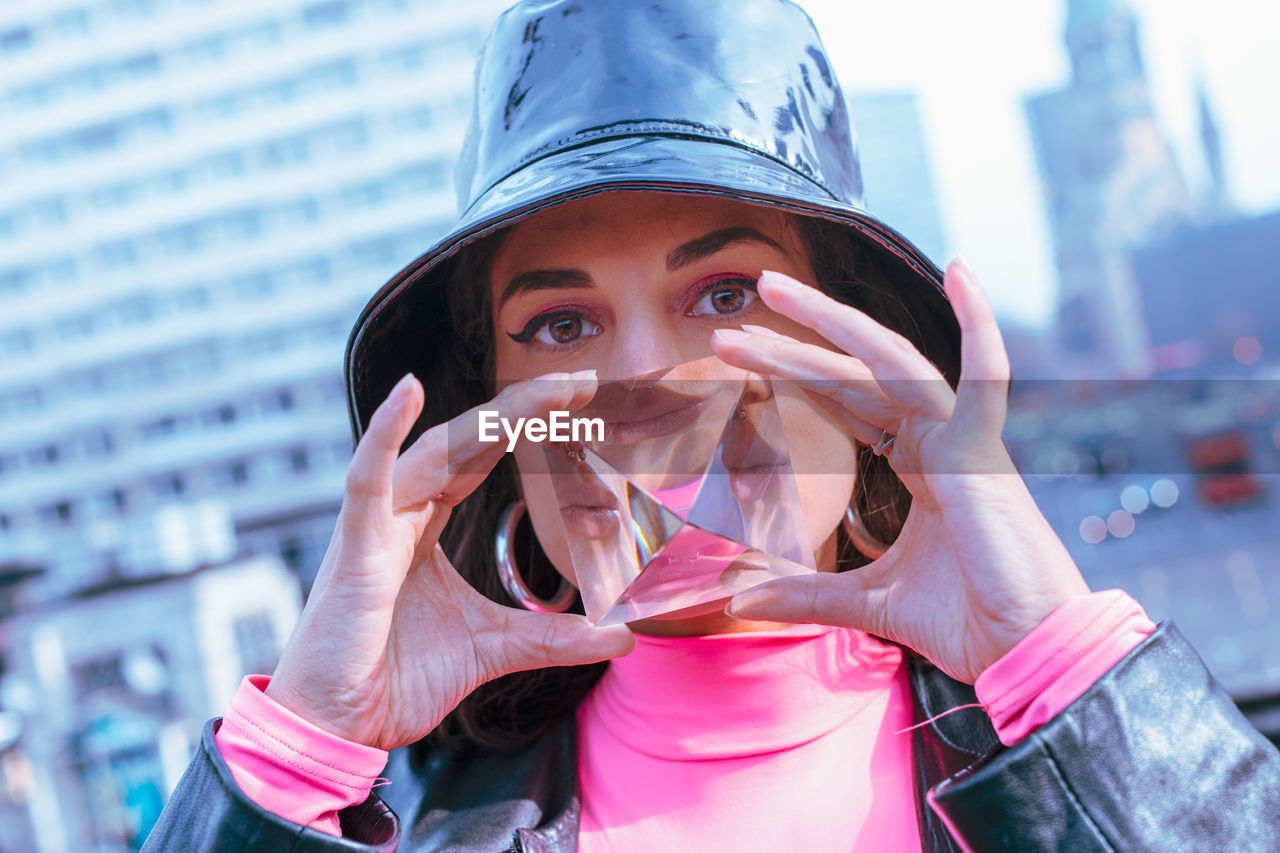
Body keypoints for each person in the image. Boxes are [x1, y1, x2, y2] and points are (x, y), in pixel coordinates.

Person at [143, 1, 1280, 850]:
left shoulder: (1061, 737)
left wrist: (1062, 675)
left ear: (854, 351)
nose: (641, 372)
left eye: (724, 295)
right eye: (558, 323)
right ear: (496, 425)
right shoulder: (406, 815)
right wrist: (301, 746)